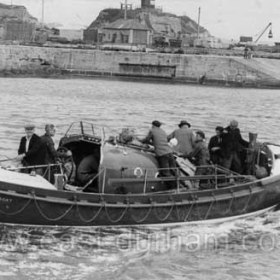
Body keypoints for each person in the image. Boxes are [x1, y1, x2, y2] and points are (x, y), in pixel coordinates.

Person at [140, 120, 177, 188]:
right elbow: (161, 141)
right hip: (169, 152)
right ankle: (179, 184)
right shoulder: (162, 131)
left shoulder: (152, 130)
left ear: (153, 125)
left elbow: (147, 140)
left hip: (162, 154)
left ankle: (172, 187)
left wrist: (140, 141)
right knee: (174, 170)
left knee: (165, 172)